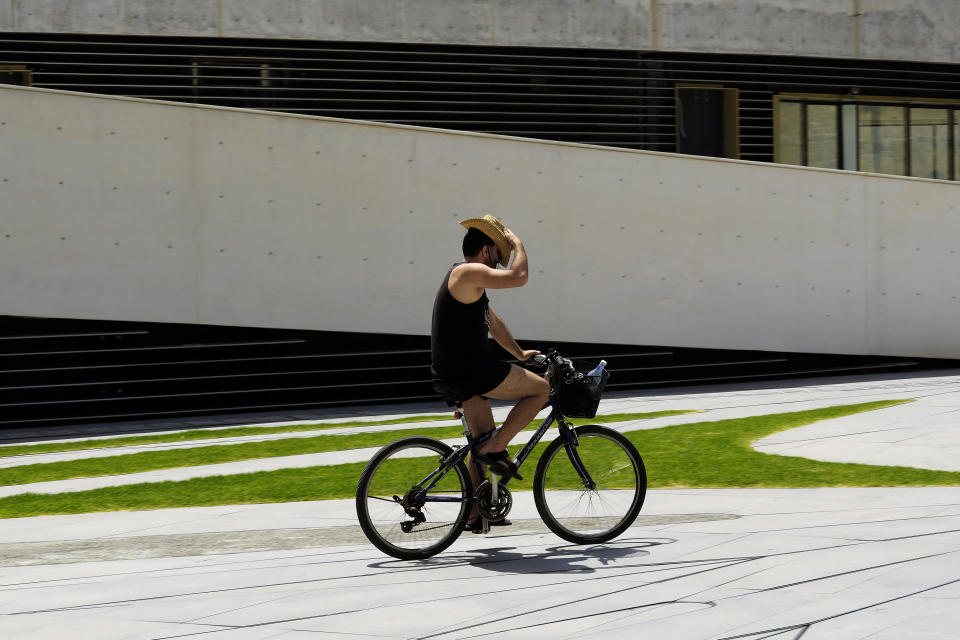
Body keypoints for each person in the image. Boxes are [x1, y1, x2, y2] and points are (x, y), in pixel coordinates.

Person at [430, 214, 550, 530]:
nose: (500, 261)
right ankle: (496, 449)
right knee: (540, 390)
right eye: (499, 253)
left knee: (480, 442)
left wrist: (520, 354)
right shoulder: (468, 272)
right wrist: (519, 245)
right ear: (486, 250)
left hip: (458, 371)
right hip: (469, 369)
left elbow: (493, 325)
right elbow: (520, 276)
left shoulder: (472, 283)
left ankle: (474, 514)